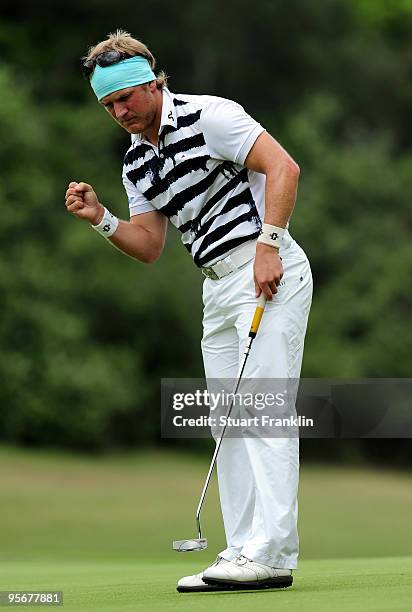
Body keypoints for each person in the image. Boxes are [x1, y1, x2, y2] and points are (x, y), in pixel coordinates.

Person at [65, 29, 313, 593]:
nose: (119, 111)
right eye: (108, 104)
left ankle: (273, 553)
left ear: (153, 83)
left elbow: (284, 168)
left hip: (265, 269)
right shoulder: (136, 162)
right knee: (228, 423)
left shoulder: (210, 116)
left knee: (263, 412)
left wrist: (270, 243)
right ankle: (243, 550)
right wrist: (102, 218)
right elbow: (150, 245)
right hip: (217, 287)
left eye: (126, 97)